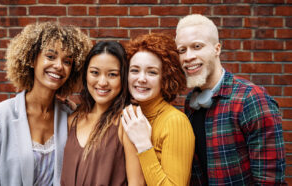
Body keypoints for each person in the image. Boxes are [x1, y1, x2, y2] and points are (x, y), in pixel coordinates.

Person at [175, 14, 286, 185]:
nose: (188, 57)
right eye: (182, 50)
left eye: (197, 46)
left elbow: (270, 181)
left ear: (217, 49)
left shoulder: (251, 99)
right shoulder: (192, 102)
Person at [0, 22, 91, 186]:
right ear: (31, 59)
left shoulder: (71, 116)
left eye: (67, 61)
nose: (59, 66)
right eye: (50, 56)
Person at [60, 41, 145, 186]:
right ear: (85, 75)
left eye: (112, 74)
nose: (102, 82)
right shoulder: (73, 119)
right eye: (95, 73)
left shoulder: (129, 118)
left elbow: (136, 183)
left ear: (122, 78)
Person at [121, 33, 195, 185]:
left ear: (166, 77)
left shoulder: (175, 122)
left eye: (152, 72)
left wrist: (144, 144)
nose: (141, 79)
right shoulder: (130, 115)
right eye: (135, 70)